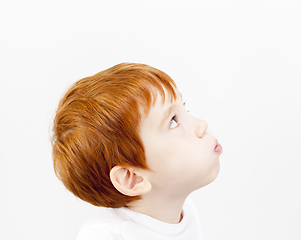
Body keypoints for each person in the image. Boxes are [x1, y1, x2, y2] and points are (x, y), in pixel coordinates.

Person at [52, 63, 223, 240]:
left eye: (185, 108)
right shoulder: (106, 235)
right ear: (132, 178)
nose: (202, 125)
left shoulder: (186, 211)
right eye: (173, 121)